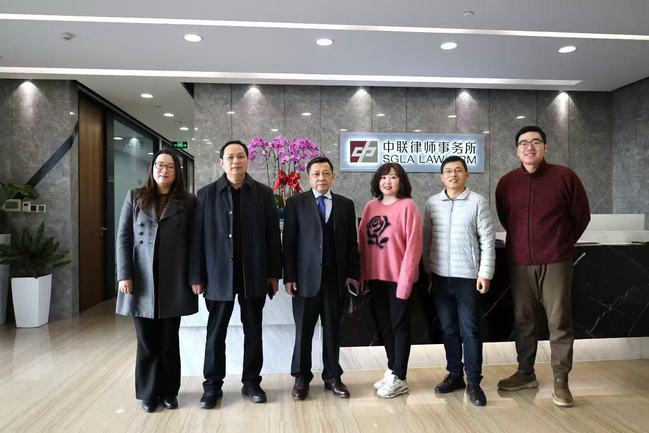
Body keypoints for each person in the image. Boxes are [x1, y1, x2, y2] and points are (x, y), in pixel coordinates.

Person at [495, 125, 590, 407]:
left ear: (545, 148)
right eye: (523, 143)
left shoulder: (565, 177)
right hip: (519, 261)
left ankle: (561, 381)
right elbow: (506, 217)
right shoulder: (507, 182)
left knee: (559, 321)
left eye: (536, 142)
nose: (529, 146)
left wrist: (560, 243)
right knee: (524, 320)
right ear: (517, 150)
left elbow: (581, 216)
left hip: (556, 260)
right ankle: (526, 373)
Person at [189, 140, 282, 408]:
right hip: (218, 275)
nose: (235, 161)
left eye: (240, 156)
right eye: (230, 157)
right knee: (215, 333)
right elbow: (196, 240)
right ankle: (212, 386)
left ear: (247, 160)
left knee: (254, 332)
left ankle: (251, 382)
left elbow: (272, 237)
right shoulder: (205, 195)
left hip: (254, 274)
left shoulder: (264, 194)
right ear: (221, 162)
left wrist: (273, 274)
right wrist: (197, 275)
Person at [116, 148, 197, 413]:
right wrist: (124, 274)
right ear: (152, 169)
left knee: (169, 341)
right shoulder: (135, 196)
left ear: (177, 172)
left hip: (174, 280)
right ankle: (149, 393)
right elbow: (123, 237)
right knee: (147, 341)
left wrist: (195, 276)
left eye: (170, 166)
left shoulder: (188, 201)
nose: (164, 170)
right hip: (141, 280)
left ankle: (169, 392)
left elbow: (195, 242)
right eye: (160, 165)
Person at [283, 156, 360, 401]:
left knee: (333, 331)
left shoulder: (345, 205)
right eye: (316, 173)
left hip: (334, 280)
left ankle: (333, 376)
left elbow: (351, 243)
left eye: (326, 173)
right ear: (308, 177)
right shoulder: (296, 203)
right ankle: (301, 377)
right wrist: (289, 276)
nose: (321, 178)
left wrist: (353, 274)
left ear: (333, 176)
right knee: (303, 331)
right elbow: (289, 243)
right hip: (304, 279)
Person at [422, 155, 495, 406]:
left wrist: (485, 273)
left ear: (467, 175)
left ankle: (474, 382)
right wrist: (428, 270)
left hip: (468, 278)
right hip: (440, 277)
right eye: (448, 171)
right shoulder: (432, 203)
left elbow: (487, 240)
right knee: (448, 328)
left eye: (458, 170)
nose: (453, 175)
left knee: (470, 330)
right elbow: (427, 239)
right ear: (442, 177)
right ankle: (455, 374)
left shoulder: (478, 202)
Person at [358, 162, 422, 399]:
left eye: (393, 177)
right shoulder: (370, 207)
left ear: (401, 181)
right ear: (377, 181)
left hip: (399, 279)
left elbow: (414, 247)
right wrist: (362, 274)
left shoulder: (408, 206)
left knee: (399, 327)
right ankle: (392, 369)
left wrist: (406, 280)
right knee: (385, 327)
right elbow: (362, 243)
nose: (387, 181)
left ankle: (400, 377)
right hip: (376, 279)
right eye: (383, 177)